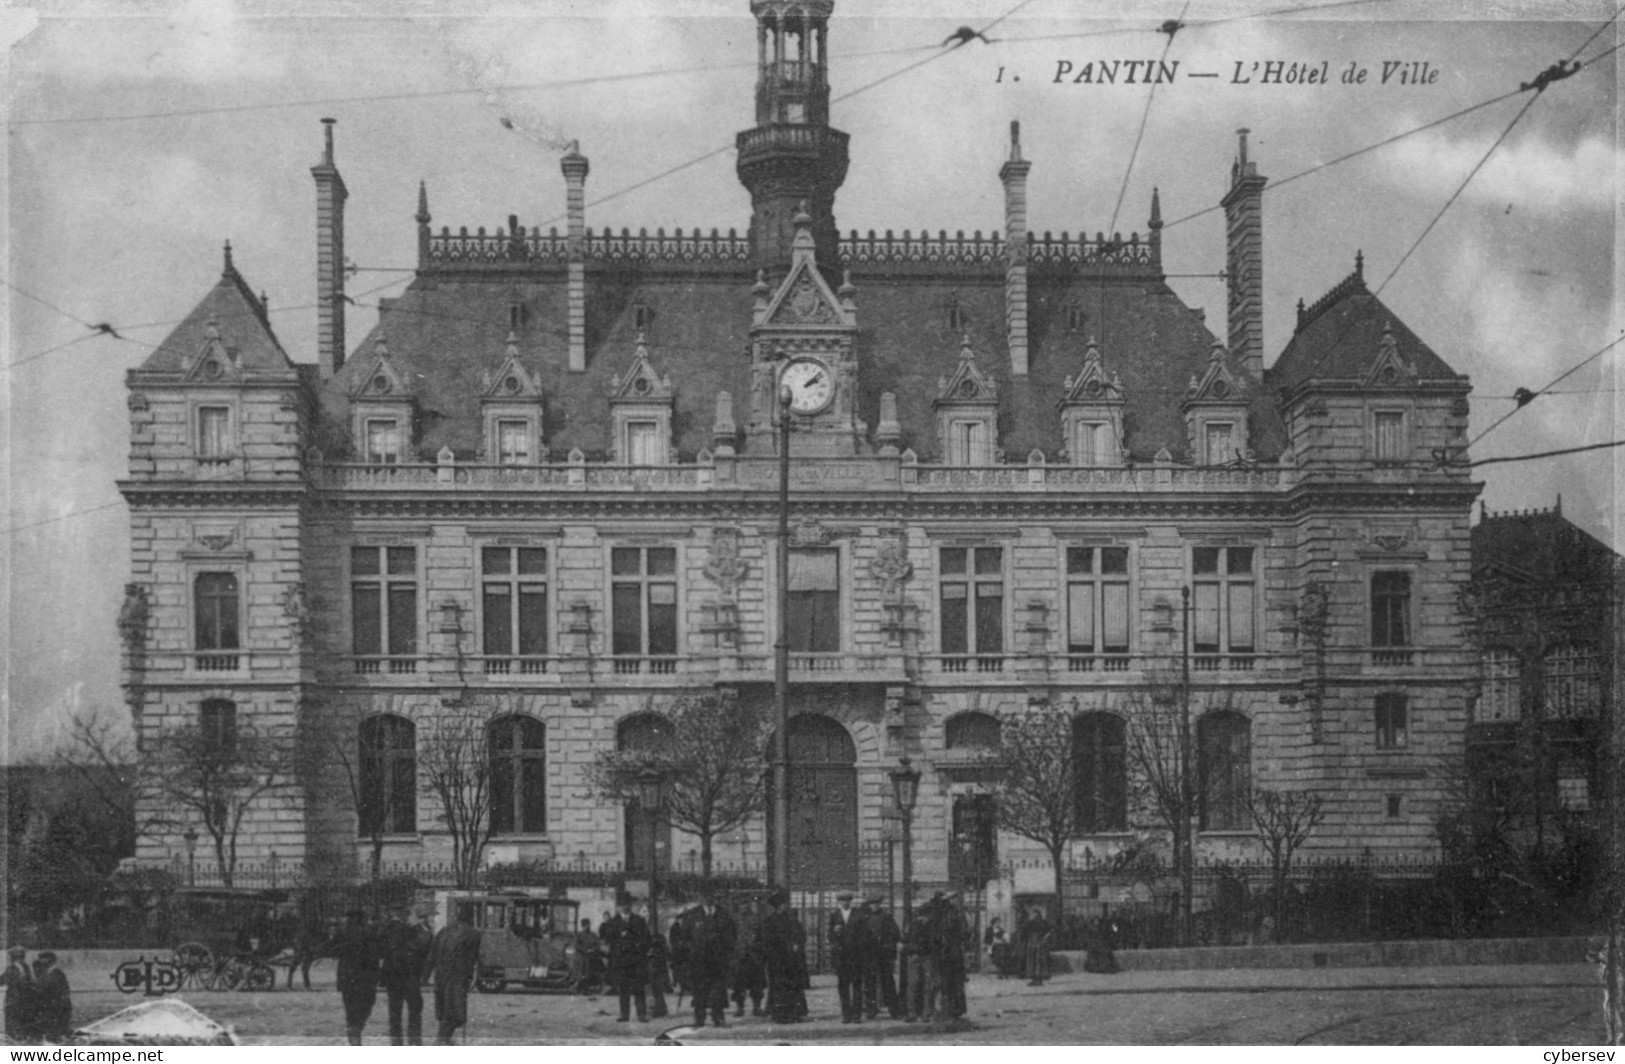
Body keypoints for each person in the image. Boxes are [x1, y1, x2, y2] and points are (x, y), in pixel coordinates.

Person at [378, 904, 433, 1045]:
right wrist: (423, 928)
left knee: (394, 1011)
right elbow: (422, 949)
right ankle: (414, 1042)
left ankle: (396, 1043)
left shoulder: (385, 929)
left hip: (392, 976)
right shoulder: (410, 930)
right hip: (409, 976)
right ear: (403, 913)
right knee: (414, 1009)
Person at [427, 904, 482, 1045]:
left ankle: (444, 1039)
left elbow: (432, 954)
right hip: (457, 976)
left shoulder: (444, 931)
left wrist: (428, 974)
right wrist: (470, 977)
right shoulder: (473, 934)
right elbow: (473, 958)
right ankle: (442, 1040)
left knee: (444, 1009)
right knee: (455, 1011)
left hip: (440, 975)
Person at [686, 890, 736, 1028]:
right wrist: (692, 952)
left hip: (718, 960)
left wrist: (726, 954)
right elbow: (685, 937)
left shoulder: (723, 915)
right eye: (705, 895)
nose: (708, 898)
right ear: (700, 897)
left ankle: (718, 1018)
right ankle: (699, 1019)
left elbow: (731, 937)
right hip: (699, 960)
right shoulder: (692, 915)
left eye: (711, 895)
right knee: (699, 991)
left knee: (718, 991)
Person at [600, 892, 651, 1023]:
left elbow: (646, 939)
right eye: (621, 905)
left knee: (639, 988)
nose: (624, 908)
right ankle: (624, 1014)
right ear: (617, 907)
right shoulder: (612, 922)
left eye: (626, 905)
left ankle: (641, 1014)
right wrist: (619, 935)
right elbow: (607, 938)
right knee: (623, 989)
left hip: (635, 960)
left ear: (631, 905)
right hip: (621, 961)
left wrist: (634, 942)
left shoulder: (639, 921)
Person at [332, 909, 380, 1046]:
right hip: (365, 978)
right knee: (365, 1006)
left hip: (346, 977)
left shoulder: (341, 932)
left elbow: (333, 950)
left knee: (351, 1009)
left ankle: (354, 1035)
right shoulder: (367, 932)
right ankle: (355, 1035)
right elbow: (375, 954)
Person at [759, 890, 803, 1024]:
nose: (785, 906)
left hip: (791, 959)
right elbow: (767, 941)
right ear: (777, 905)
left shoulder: (791, 919)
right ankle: (778, 1014)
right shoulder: (768, 921)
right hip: (776, 959)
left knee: (792, 986)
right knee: (778, 987)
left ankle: (793, 1013)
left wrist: (797, 944)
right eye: (783, 904)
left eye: (785, 904)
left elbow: (800, 934)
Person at [827, 889, 865, 1023]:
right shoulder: (835, 915)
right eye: (842, 900)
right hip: (841, 957)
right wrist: (834, 932)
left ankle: (857, 1015)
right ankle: (846, 1014)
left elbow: (864, 934)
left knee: (857, 986)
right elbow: (829, 936)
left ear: (851, 901)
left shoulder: (858, 915)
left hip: (856, 956)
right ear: (839, 902)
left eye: (847, 900)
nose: (845, 903)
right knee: (843, 986)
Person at [862, 895, 901, 1020]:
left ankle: (893, 1009)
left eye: (876, 903)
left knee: (887, 982)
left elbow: (895, 933)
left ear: (880, 904)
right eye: (872, 904)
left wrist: (887, 945)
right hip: (870, 954)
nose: (874, 906)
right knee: (870, 982)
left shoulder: (886, 917)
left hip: (884, 954)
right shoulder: (864, 918)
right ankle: (871, 1009)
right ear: (869, 905)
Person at [728, 897, 766, 1018]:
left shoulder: (757, 918)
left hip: (754, 955)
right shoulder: (734, 919)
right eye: (741, 904)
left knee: (757, 983)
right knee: (739, 984)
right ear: (738, 906)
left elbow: (762, 935)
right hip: (739, 955)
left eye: (746, 904)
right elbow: (730, 936)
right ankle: (740, 1008)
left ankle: (757, 1007)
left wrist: (759, 949)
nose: (744, 907)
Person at [31, 953, 70, 1043]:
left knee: (55, 1032)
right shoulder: (50, 972)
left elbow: (52, 990)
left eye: (41, 959)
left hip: (57, 1007)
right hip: (56, 1006)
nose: (39, 962)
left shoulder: (55, 972)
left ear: (48, 960)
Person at [2, 946, 36, 1042]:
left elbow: (2, 981)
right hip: (25, 998)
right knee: (22, 1020)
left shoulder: (11, 968)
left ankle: (14, 1039)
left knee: (13, 1020)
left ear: (12, 957)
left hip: (14, 999)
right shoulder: (26, 967)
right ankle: (21, 1038)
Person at [1023, 906, 1052, 987]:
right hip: (1032, 943)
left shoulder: (1043, 922)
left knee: (1039, 960)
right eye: (1032, 914)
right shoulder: (1030, 923)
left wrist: (1044, 938)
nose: (1034, 916)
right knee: (1032, 961)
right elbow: (1024, 930)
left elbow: (1049, 931)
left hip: (1040, 943)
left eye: (1035, 914)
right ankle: (1034, 979)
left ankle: (1039, 979)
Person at [571, 918, 601, 992]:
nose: (586, 927)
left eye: (588, 925)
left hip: (592, 956)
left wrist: (593, 950)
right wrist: (585, 950)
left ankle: (588, 985)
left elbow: (598, 945)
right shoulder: (579, 935)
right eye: (585, 925)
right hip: (581, 956)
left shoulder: (593, 935)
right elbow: (577, 945)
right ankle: (579, 984)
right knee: (583, 965)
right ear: (582, 926)